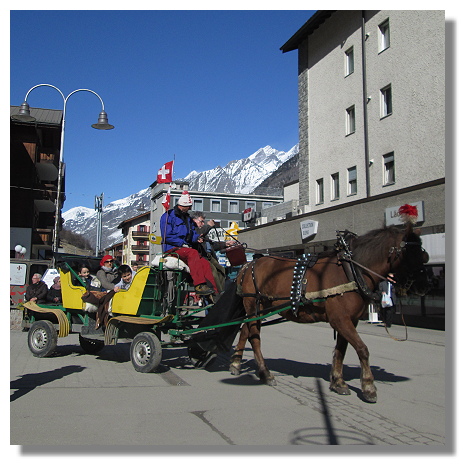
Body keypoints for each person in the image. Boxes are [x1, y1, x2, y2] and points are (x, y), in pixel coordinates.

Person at [160, 191, 218, 296]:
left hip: (183, 248)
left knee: (204, 262)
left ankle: (213, 290)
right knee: (193, 253)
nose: (190, 209)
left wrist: (197, 238)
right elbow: (166, 236)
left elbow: (192, 234)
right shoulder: (168, 216)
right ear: (183, 206)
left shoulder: (187, 218)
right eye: (189, 206)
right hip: (171, 248)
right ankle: (199, 285)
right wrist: (182, 243)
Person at [190, 211, 236, 293]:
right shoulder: (193, 230)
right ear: (194, 220)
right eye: (201, 221)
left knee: (221, 269)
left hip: (209, 256)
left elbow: (212, 245)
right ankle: (216, 293)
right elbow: (199, 234)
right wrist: (209, 226)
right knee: (213, 272)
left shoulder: (204, 234)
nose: (202, 224)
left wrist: (225, 244)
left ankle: (221, 291)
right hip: (201, 257)